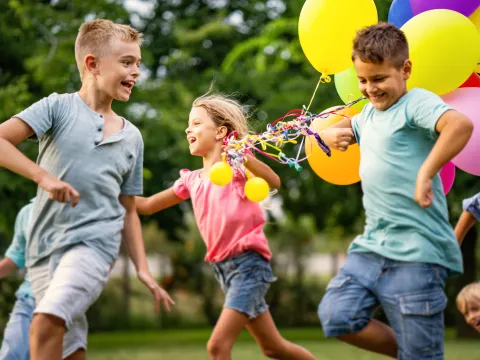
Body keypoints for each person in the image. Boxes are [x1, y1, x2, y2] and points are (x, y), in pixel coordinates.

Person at [0, 19, 173, 360]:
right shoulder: (56, 108)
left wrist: (142, 268)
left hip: (95, 245)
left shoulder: (132, 138)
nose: (136, 71)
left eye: (138, 63)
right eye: (127, 62)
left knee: (45, 324)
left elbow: (127, 209)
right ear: (92, 64)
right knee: (68, 348)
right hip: (43, 250)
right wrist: (43, 177)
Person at [318, 23, 474, 359]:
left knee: (421, 353)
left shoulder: (416, 102)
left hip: (418, 252)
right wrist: (329, 134)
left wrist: (425, 173)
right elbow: (342, 128)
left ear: (405, 70)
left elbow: (460, 125)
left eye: (378, 79)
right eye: (362, 80)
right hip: (373, 246)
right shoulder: (368, 116)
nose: (369, 89)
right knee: (337, 315)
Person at [136, 92, 317, 360]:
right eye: (189, 123)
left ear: (221, 131)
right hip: (224, 270)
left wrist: (245, 158)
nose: (188, 128)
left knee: (217, 347)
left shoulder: (236, 168)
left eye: (196, 123)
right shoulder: (191, 180)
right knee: (273, 348)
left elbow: (274, 182)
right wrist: (103, 192)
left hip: (248, 266)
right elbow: (148, 205)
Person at [0, 199, 35, 360]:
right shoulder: (27, 212)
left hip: (64, 301)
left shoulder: (79, 210)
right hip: (28, 299)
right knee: (11, 355)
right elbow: (16, 258)